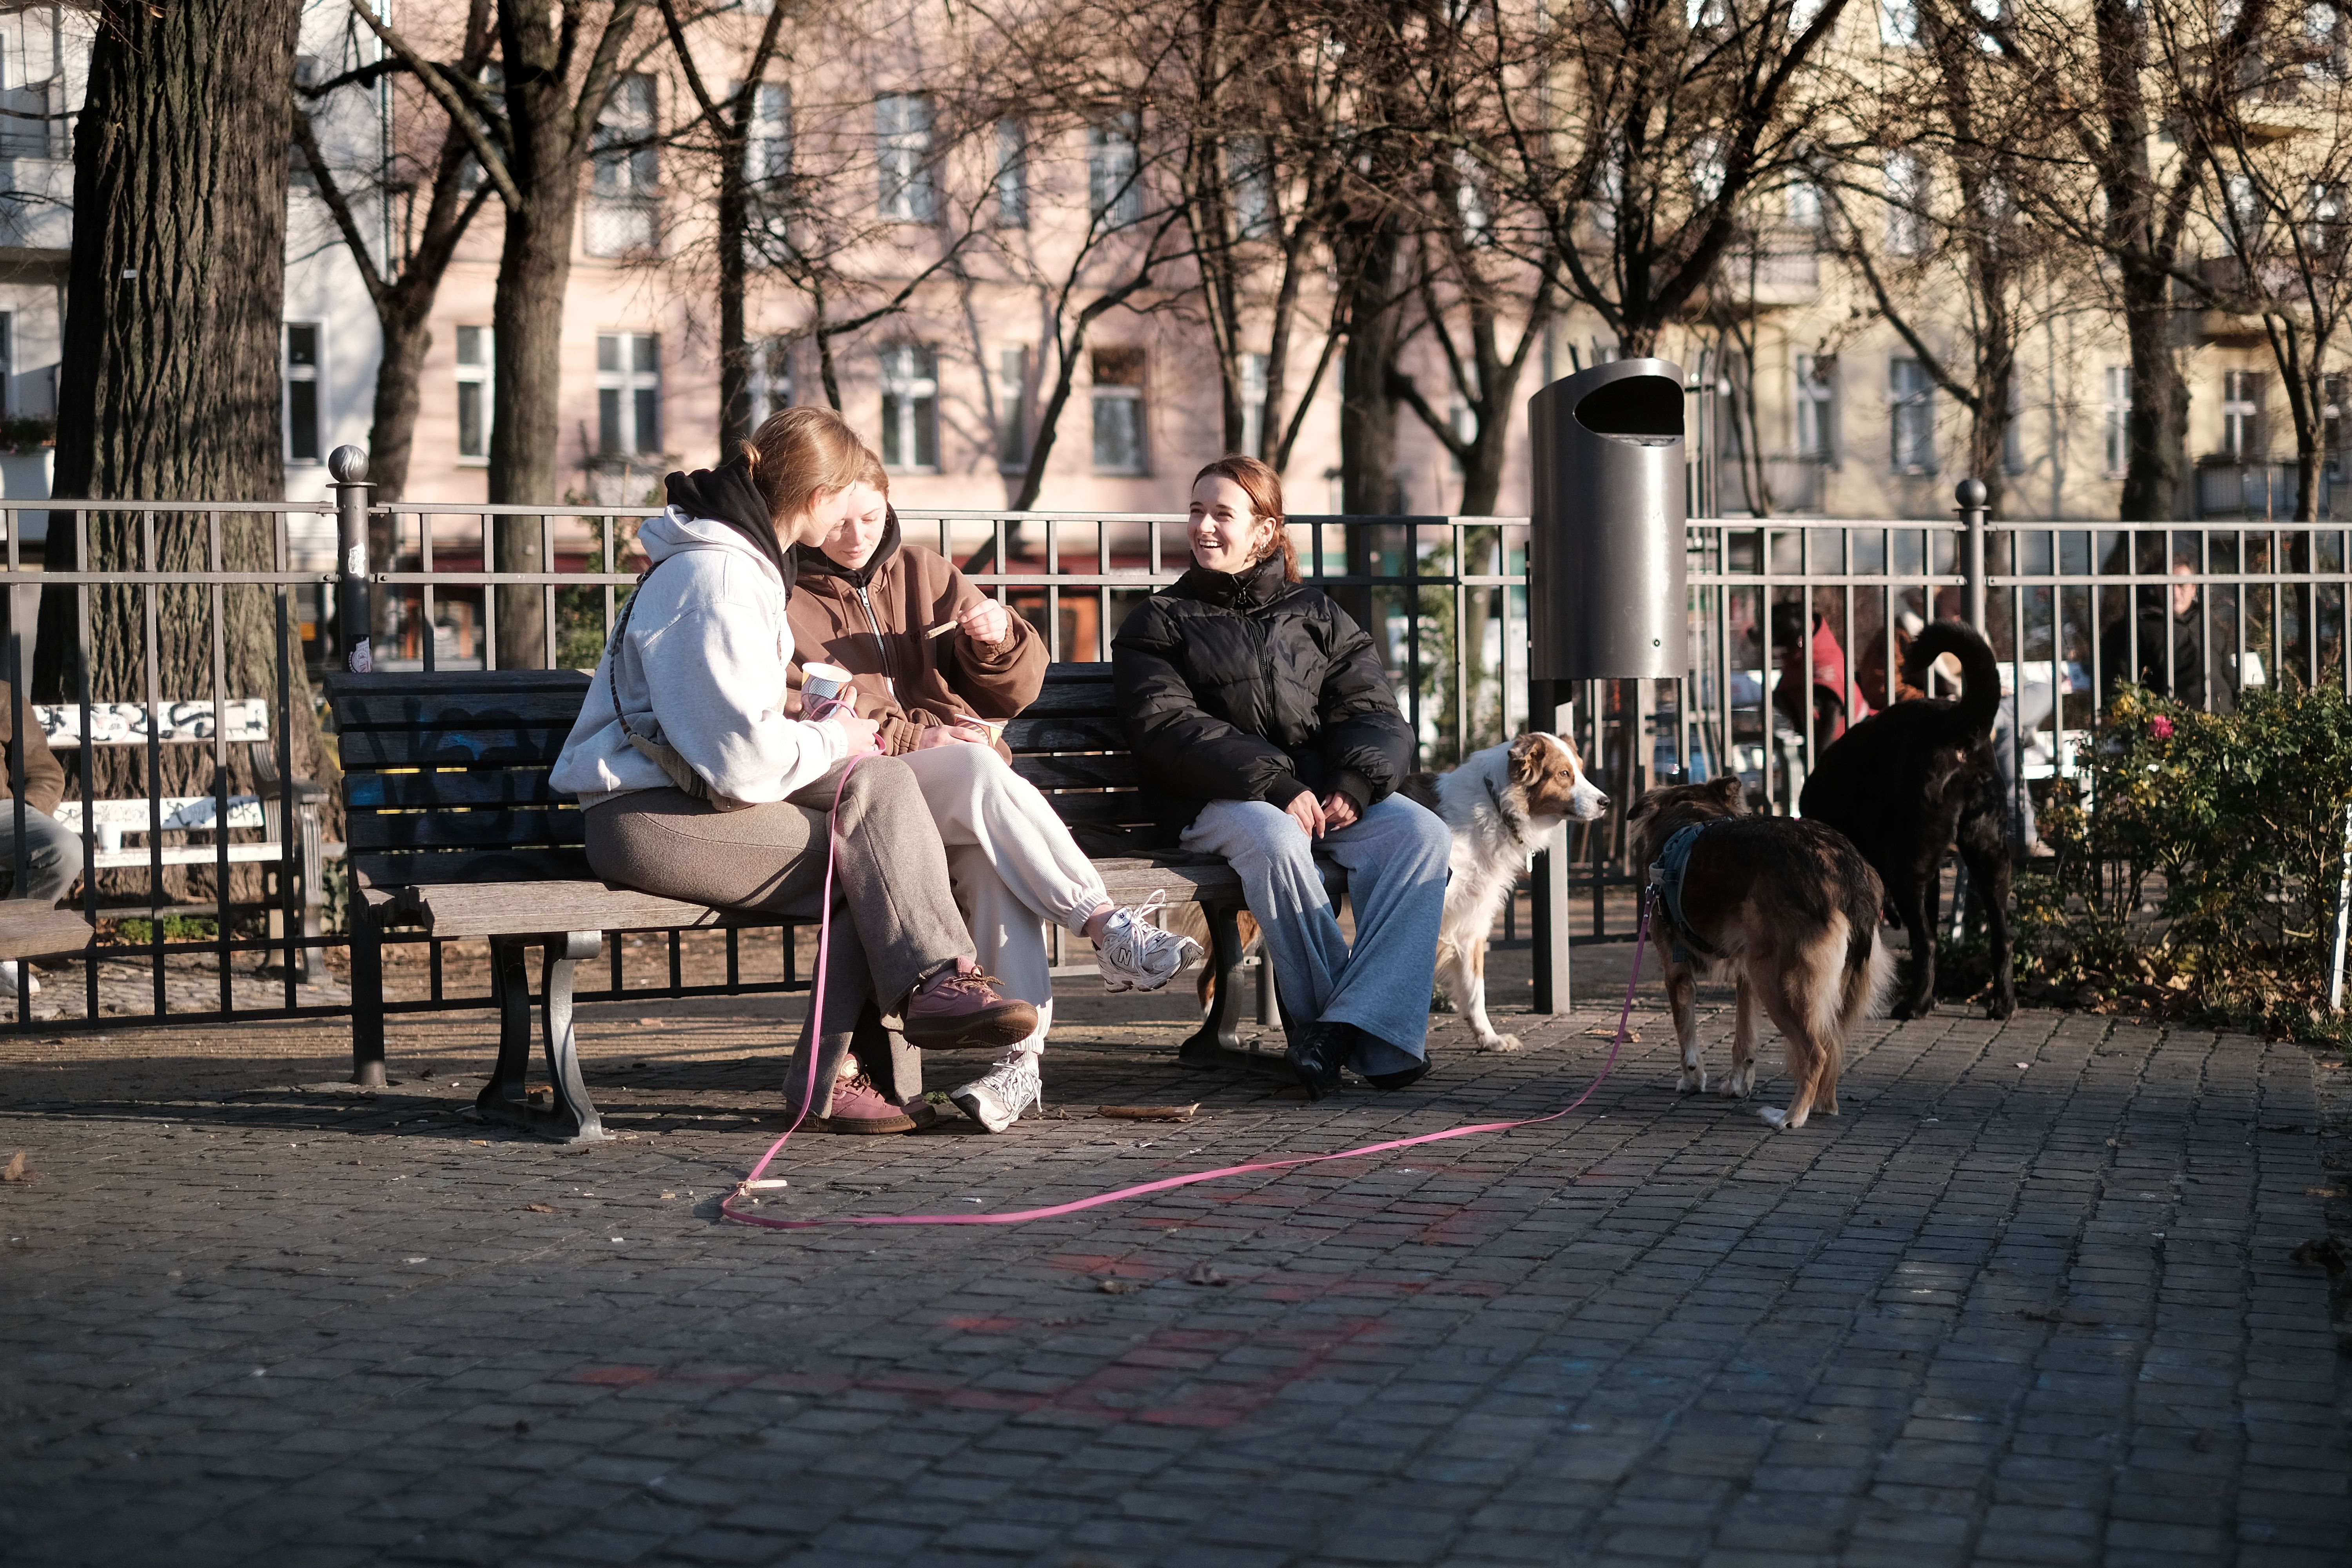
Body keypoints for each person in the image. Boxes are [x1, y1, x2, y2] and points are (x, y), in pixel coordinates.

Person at [550, 407, 1039, 1136]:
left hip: (702, 796)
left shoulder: (745, 563)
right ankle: (840, 1072)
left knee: (882, 786)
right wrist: (838, 735)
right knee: (864, 860)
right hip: (645, 816)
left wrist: (842, 736)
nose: (858, 518)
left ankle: (934, 989)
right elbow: (738, 763)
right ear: (818, 499)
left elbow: (738, 740)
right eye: (848, 496)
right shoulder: (715, 579)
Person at [783, 458, 1202, 1132]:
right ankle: (1104, 925)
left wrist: (998, 639)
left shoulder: (923, 571)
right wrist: (925, 736)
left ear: (889, 505)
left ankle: (1017, 1067)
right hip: (865, 784)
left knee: (990, 862)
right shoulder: (785, 592)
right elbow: (811, 706)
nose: (856, 535)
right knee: (979, 772)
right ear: (811, 509)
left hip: (946, 791)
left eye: (870, 517)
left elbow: (1013, 690)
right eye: (839, 520)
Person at [1111, 455, 1450, 1099]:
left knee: (1421, 835)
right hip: (1211, 800)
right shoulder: (1157, 621)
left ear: (1265, 531)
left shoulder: (1318, 614)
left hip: (1319, 795)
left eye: (1222, 514)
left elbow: (1372, 712)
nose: (1204, 527)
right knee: (1275, 838)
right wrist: (1276, 784)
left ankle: (1338, 1033)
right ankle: (1347, 1031)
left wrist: (1353, 783)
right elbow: (1168, 728)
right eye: (1196, 511)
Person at [0, 682, 82, 996]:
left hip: (3, 813)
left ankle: (6, 947)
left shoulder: (4, 697)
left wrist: (28, 812)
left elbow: (45, 775)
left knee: (66, 850)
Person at [2102, 558, 2238, 715]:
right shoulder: (2139, 628)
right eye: (2168, 585)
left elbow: (2230, 676)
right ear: (2157, 588)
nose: (2175, 592)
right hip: (2174, 724)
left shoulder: (2207, 624)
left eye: (2181, 585)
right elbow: (2120, 682)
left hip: (2223, 719)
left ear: (2194, 588)